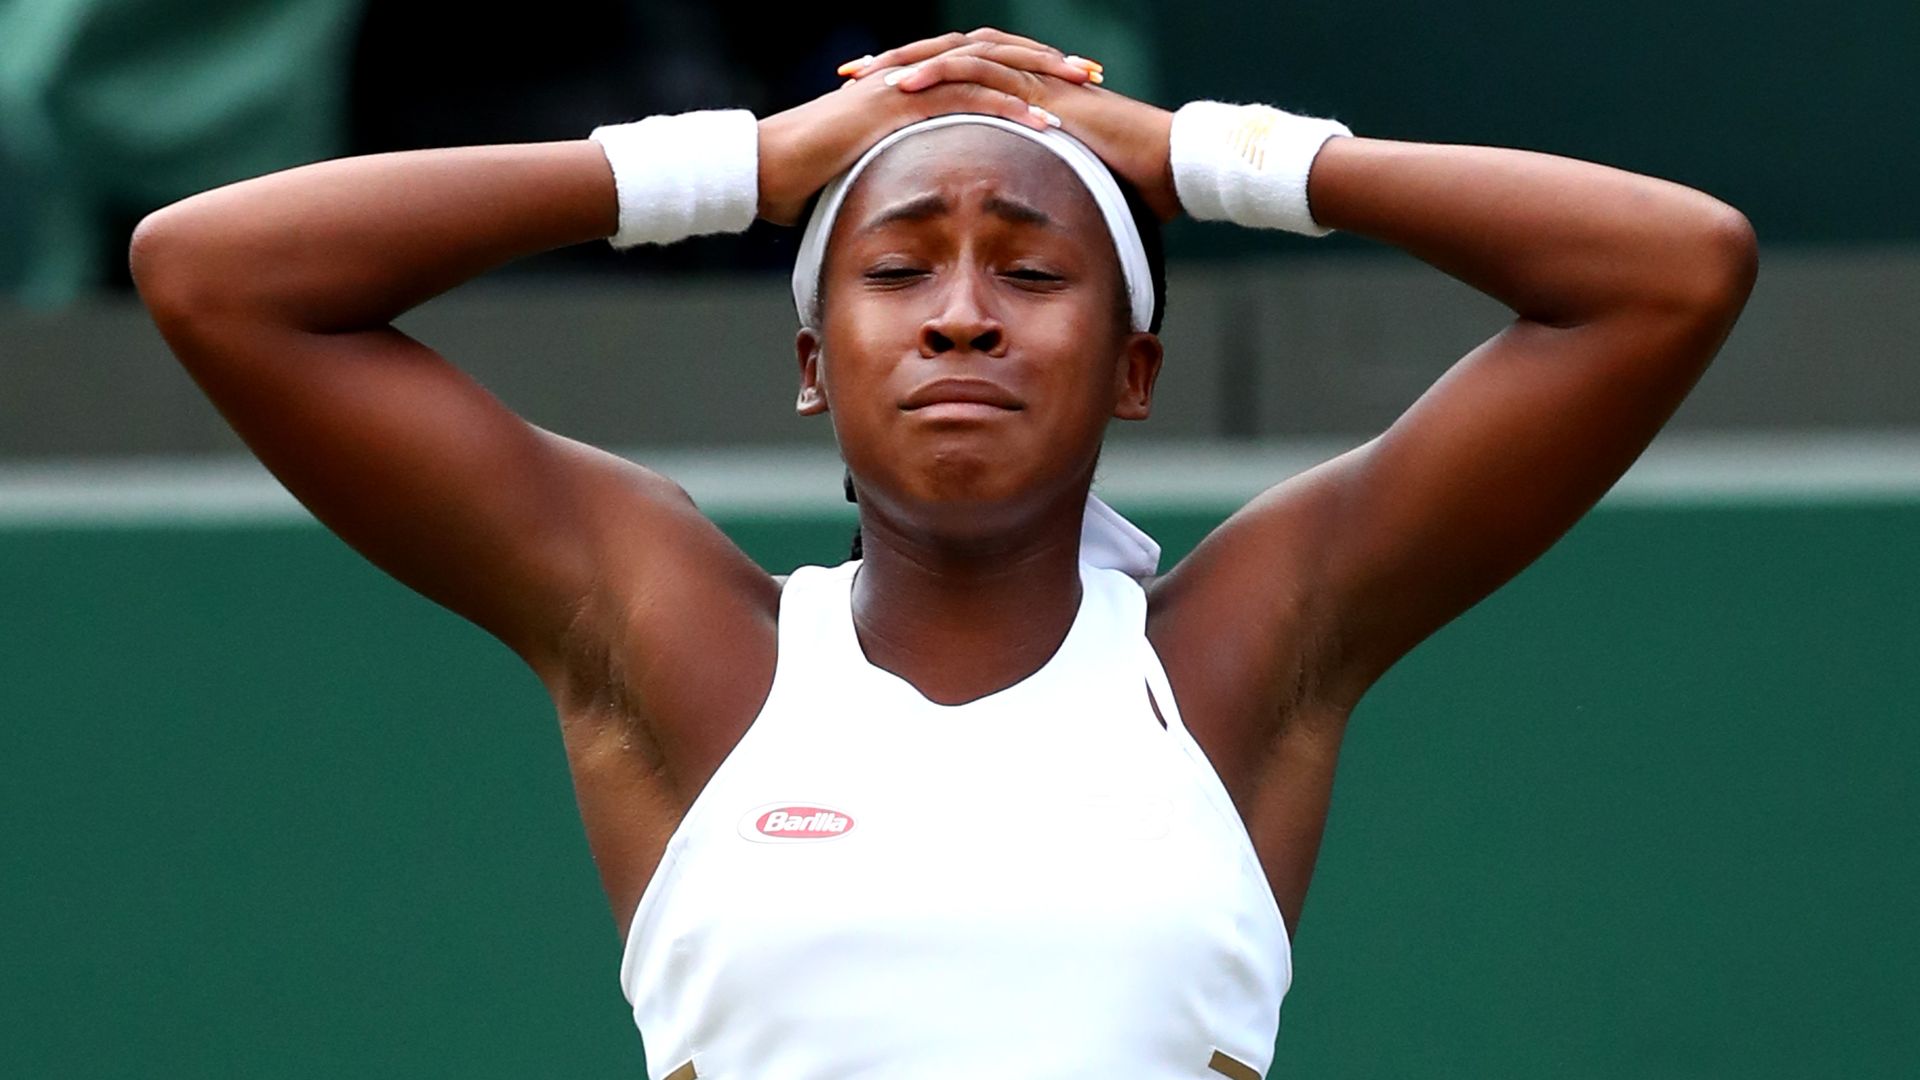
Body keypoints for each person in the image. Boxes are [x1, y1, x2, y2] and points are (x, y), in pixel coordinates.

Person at [128, 27, 1757, 1079]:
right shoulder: (679, 642)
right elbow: (212, 274)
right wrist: (740, 167)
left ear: (1134, 367)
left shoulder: (1242, 659)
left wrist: (1202, 154)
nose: (966, 311)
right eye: (901, 267)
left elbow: (1674, 270)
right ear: (814, 362)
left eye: (1033, 272)